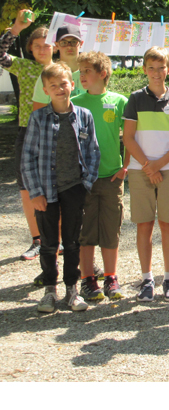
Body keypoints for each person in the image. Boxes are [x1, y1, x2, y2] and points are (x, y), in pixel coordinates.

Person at [22, 62, 100, 313]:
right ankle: (49, 291)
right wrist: (35, 192)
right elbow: (28, 158)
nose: (59, 89)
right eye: (53, 85)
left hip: (74, 187)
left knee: (72, 241)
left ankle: (72, 290)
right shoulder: (38, 118)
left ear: (72, 85)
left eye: (63, 84)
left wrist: (85, 184)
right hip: (45, 190)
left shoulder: (84, 116)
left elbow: (93, 152)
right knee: (48, 243)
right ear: (45, 89)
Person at [122, 46, 169, 303]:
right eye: (151, 68)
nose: (156, 73)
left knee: (168, 225)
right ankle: (147, 279)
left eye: (161, 67)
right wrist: (147, 166)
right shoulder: (135, 99)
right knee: (144, 224)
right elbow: (128, 137)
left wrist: (158, 165)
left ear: (168, 69)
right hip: (141, 171)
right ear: (144, 70)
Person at [72, 52, 129, 301]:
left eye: (86, 71)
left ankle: (111, 277)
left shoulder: (119, 101)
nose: (81, 75)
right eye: (80, 71)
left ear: (102, 73)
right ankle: (87, 279)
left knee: (110, 229)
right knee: (85, 231)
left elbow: (130, 138)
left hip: (111, 178)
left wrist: (125, 167)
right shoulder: (74, 101)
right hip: (82, 179)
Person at [0, 10, 54, 261]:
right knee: (26, 187)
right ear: (30, 49)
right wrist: (15, 30)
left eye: (47, 45)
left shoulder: (65, 68)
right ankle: (37, 240)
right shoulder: (24, 67)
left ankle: (60, 238)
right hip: (28, 131)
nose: (43, 50)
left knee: (60, 186)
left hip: (59, 132)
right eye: (37, 46)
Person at [31, 23, 85, 110]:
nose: (69, 46)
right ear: (56, 45)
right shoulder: (47, 74)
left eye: (74, 42)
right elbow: (38, 114)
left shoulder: (90, 73)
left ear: (81, 43)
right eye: (64, 42)